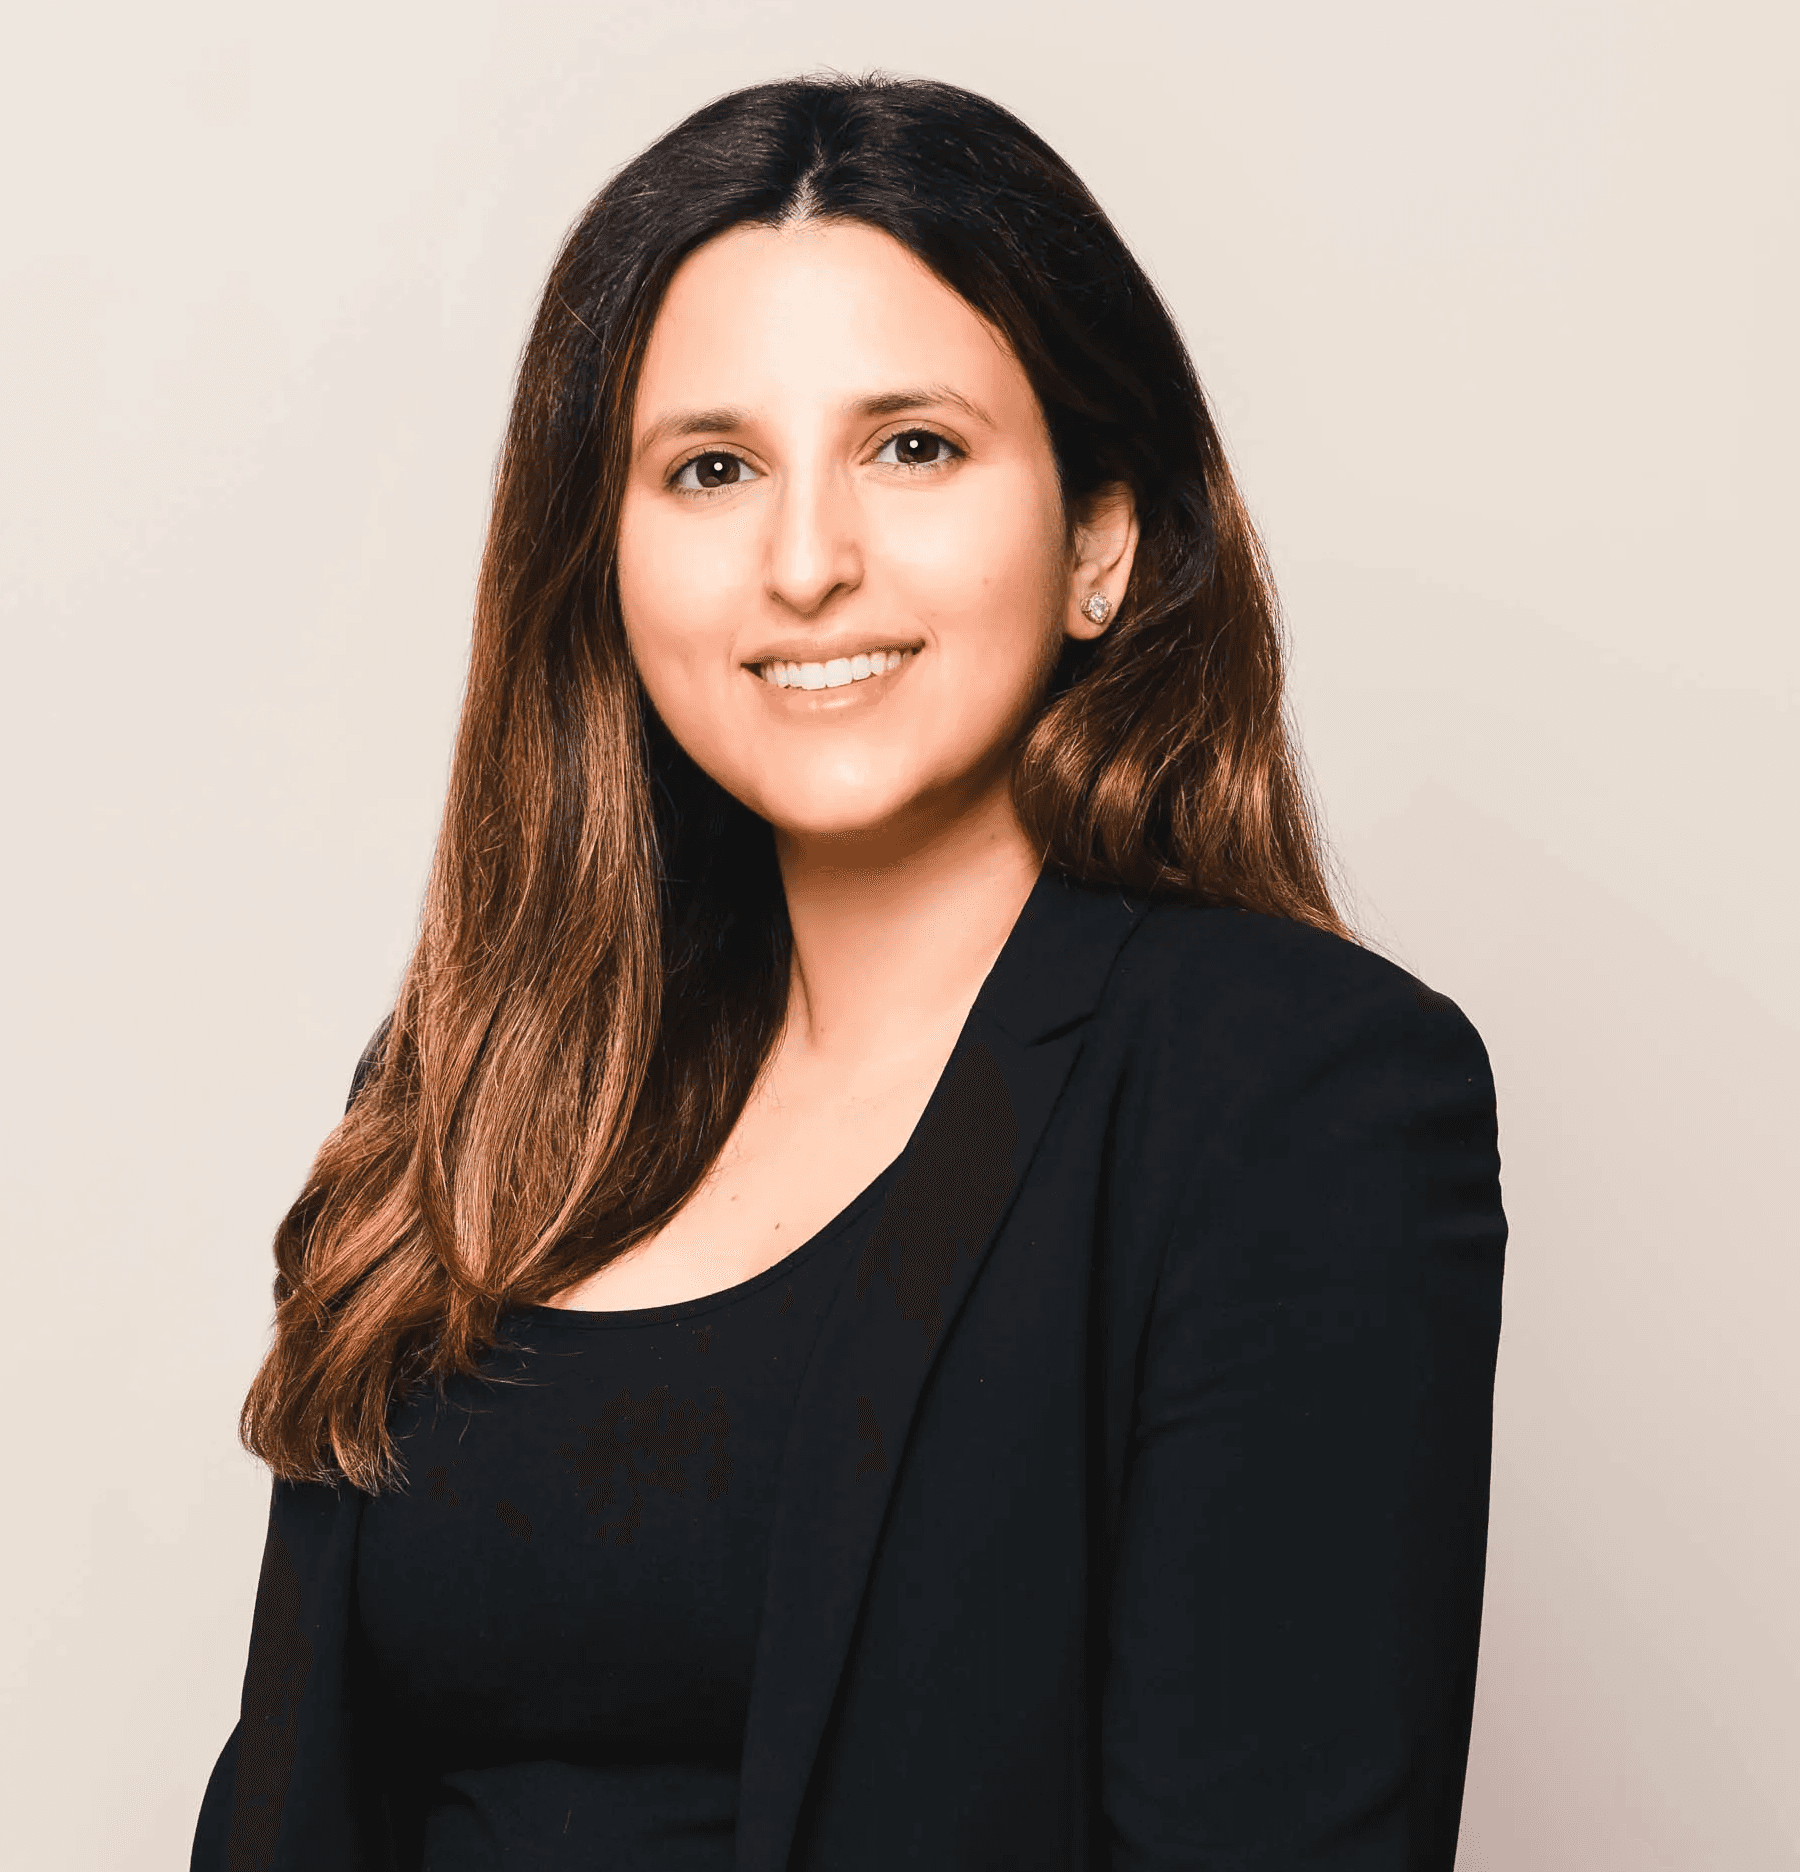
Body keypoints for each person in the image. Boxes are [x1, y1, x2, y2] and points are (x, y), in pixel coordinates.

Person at [192, 73, 1506, 1872]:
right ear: (609, 554)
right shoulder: (486, 1077)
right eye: (712, 469)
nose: (807, 565)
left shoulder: (1295, 1095)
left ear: (1101, 543)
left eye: (914, 447)